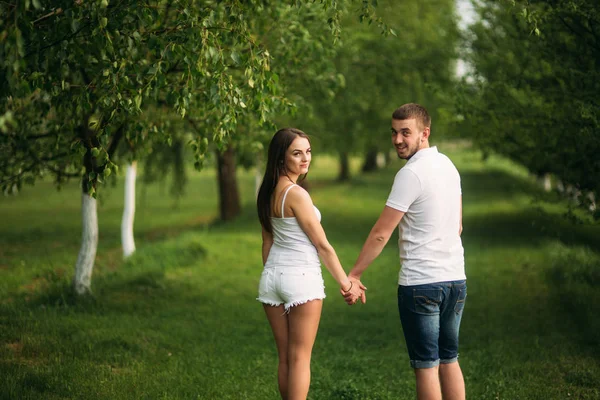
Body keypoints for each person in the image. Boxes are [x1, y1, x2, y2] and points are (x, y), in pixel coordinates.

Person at [344, 103, 466, 400]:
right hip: (455, 280)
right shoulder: (448, 165)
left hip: (421, 283)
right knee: (449, 359)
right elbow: (458, 226)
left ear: (425, 133)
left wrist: (354, 274)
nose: (398, 139)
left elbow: (381, 232)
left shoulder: (410, 174)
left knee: (426, 366)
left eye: (405, 133)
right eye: (394, 132)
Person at [256, 128, 365, 400]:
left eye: (308, 151)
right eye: (297, 153)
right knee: (300, 358)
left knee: (285, 358)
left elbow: (267, 242)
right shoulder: (296, 194)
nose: (305, 159)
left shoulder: (268, 192)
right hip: (301, 278)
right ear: (281, 158)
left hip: (271, 277)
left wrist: (273, 274)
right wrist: (347, 283)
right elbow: (322, 245)